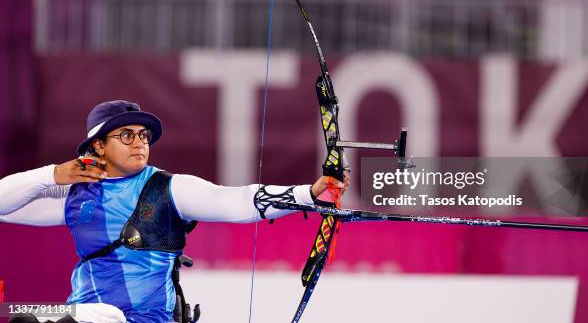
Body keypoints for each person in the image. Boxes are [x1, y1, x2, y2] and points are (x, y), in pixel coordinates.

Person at [0, 100, 348, 323]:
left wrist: (309, 193)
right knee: (19, 317)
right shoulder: (74, 195)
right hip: (82, 314)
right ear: (98, 145)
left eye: (144, 135)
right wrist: (51, 175)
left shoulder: (170, 189)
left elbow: (236, 201)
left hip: (140, 319)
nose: (139, 142)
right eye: (126, 135)